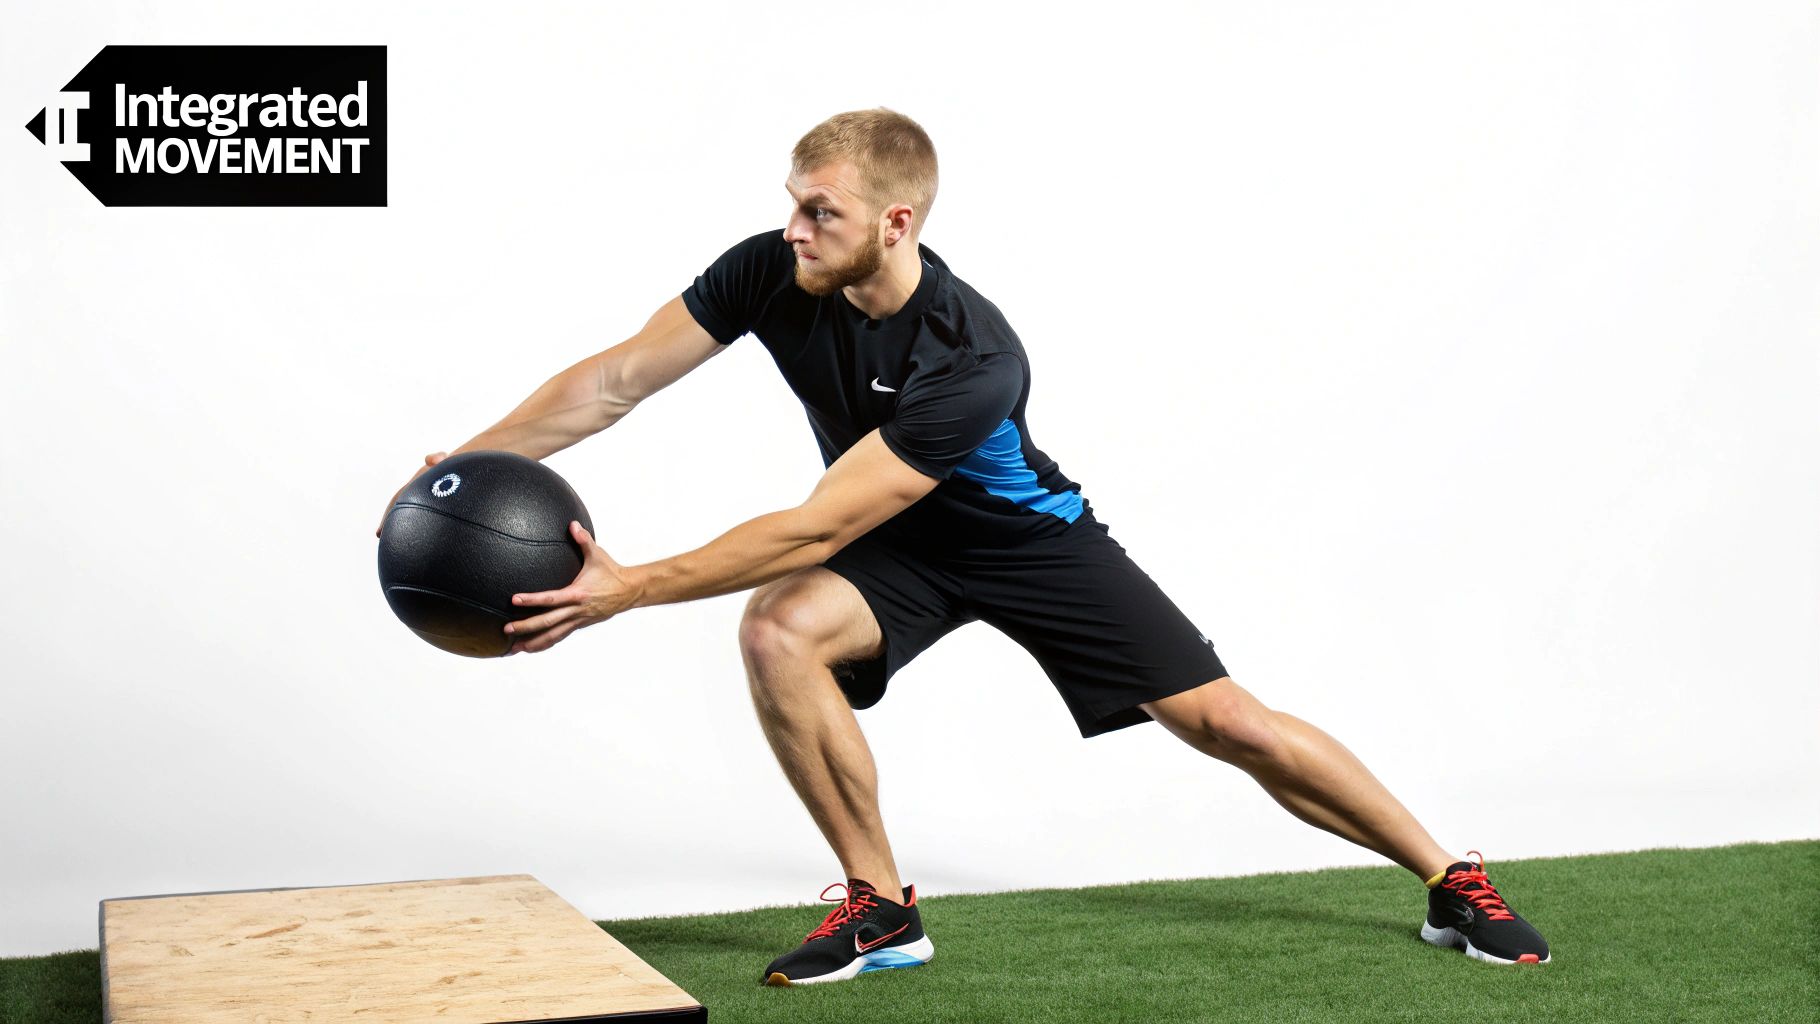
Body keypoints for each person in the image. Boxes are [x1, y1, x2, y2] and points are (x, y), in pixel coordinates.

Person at [379, 108, 1550, 985]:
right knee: (780, 628)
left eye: (819, 211)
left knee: (1223, 722)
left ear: (896, 222)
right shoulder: (768, 271)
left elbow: (819, 521)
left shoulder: (971, 353)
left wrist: (627, 587)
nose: (793, 228)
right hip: (899, 538)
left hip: (1021, 540)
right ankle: (881, 904)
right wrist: (454, 471)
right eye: (791, 201)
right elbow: (615, 380)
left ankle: (1449, 878)